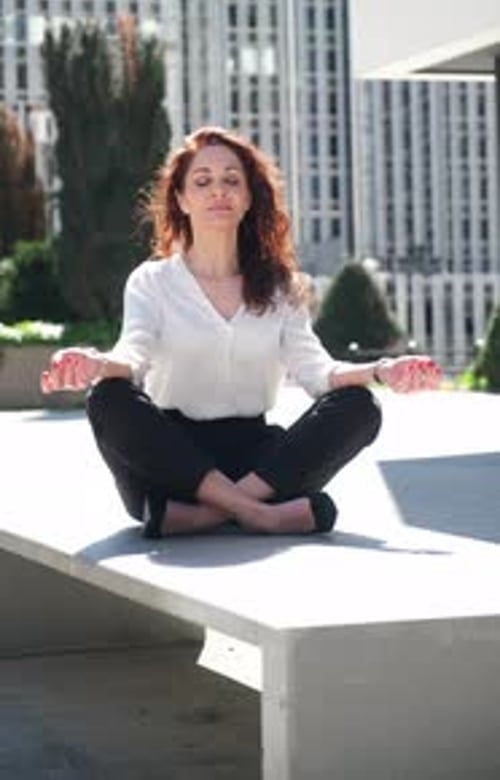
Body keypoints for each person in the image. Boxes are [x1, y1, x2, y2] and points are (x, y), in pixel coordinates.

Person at [41, 126, 442, 538]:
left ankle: (207, 514)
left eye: (232, 180)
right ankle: (261, 514)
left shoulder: (281, 286)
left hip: (259, 461)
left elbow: (319, 373)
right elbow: (132, 357)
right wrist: (92, 362)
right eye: (203, 181)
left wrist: (383, 370)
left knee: (360, 406)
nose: (219, 190)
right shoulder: (152, 281)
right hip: (169, 460)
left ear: (249, 198)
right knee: (107, 397)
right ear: (180, 199)